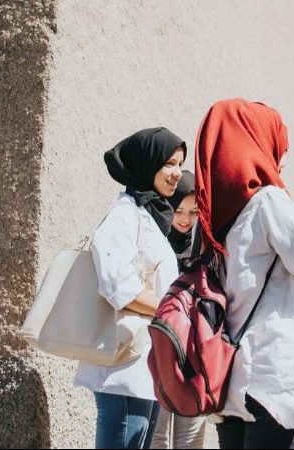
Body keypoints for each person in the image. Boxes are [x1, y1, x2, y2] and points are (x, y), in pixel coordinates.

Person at [192, 98, 294, 449]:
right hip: (275, 381)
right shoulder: (268, 202)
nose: (280, 158)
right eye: (278, 146)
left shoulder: (217, 220)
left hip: (234, 381)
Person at [74, 128, 185, 449]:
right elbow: (118, 287)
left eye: (180, 164)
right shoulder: (124, 216)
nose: (177, 173)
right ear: (146, 163)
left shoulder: (147, 215)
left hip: (142, 364)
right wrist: (173, 309)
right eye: (169, 163)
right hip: (122, 366)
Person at [150, 170, 206, 449]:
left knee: (191, 438)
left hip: (195, 353)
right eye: (178, 211)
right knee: (157, 436)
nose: (185, 219)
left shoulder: (205, 248)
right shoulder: (155, 243)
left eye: (194, 212)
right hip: (161, 351)